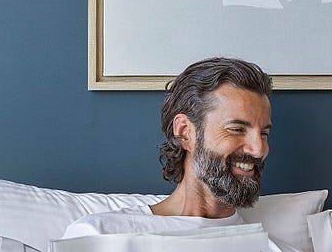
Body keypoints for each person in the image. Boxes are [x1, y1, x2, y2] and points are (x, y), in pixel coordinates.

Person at [61, 57, 289, 251]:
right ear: (185, 132)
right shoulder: (101, 235)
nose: (259, 149)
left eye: (265, 133)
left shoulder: (270, 247)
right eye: (237, 129)